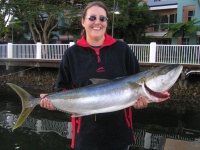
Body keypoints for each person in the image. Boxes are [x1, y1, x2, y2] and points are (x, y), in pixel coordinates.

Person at [40, 1, 148, 150]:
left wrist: (142, 100)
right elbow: (62, 89)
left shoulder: (123, 50)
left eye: (102, 19)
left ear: (106, 23)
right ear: (83, 21)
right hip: (85, 137)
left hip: (119, 136)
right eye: (92, 18)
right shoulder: (71, 54)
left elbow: (138, 82)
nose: (97, 22)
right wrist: (54, 103)